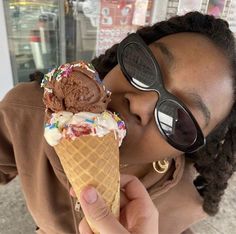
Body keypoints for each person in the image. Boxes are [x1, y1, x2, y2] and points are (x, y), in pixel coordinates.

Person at [0, 11, 235, 234]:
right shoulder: (25, 113)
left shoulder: (184, 204)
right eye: (144, 67)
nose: (140, 105)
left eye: (180, 118)